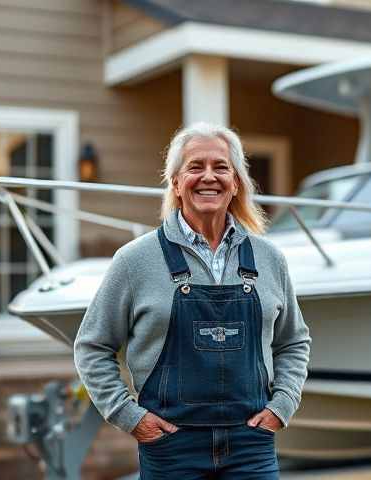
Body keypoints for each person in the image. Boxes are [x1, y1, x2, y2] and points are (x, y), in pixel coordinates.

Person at [74, 122, 311, 479]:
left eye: (221, 167)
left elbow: (294, 341)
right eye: (195, 167)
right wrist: (130, 417)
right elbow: (92, 346)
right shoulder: (135, 260)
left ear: (235, 184)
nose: (209, 176)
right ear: (175, 183)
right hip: (170, 449)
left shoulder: (269, 259)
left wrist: (283, 405)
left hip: (252, 447)